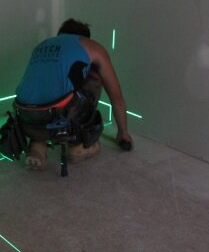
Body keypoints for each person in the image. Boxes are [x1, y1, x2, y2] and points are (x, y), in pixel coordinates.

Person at [14, 18, 132, 170]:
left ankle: (38, 148)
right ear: (84, 37)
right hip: (58, 116)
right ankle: (79, 145)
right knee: (94, 75)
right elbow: (116, 97)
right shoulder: (91, 46)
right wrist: (123, 133)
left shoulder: (41, 46)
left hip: (24, 116)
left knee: (51, 84)